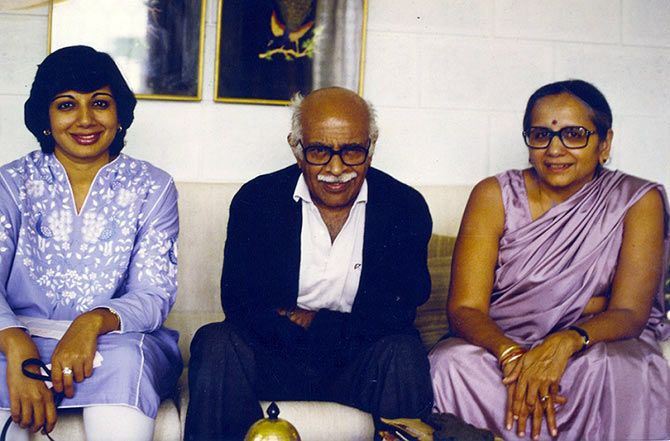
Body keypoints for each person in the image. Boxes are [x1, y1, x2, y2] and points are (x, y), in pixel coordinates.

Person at [184, 87, 434, 441]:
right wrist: (334, 325)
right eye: (319, 151)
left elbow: (398, 311)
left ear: (372, 147)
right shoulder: (257, 201)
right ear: (296, 148)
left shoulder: (404, 207)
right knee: (216, 341)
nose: (336, 169)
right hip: (275, 359)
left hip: (358, 365)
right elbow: (240, 305)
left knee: (402, 350)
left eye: (352, 152)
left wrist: (313, 320)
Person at [429, 79, 670, 440]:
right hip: (505, 349)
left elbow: (629, 313)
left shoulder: (637, 200)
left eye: (574, 135)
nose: (555, 149)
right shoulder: (494, 195)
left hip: (592, 346)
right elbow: (465, 308)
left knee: (619, 367)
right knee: (451, 363)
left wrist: (564, 342)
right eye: (541, 135)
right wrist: (512, 355)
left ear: (604, 144)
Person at [0, 46, 182, 441]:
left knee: (128, 362)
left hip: (114, 342)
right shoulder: (11, 184)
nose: (85, 119)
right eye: (66, 105)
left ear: (120, 115)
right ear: (45, 118)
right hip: (17, 335)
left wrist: (91, 322)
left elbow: (154, 293)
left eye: (100, 103)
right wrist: (16, 344)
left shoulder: (154, 187)